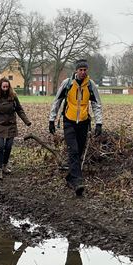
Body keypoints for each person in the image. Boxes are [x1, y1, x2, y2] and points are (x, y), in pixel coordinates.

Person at [49, 59, 103, 196]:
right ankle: (78, 182)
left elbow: (97, 105)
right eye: (81, 70)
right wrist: (52, 120)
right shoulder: (67, 84)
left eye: (85, 70)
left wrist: (99, 123)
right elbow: (57, 101)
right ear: (76, 71)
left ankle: (70, 178)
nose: (83, 72)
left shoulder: (90, 85)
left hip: (84, 123)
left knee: (78, 152)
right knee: (73, 150)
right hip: (69, 121)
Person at [0, 78, 32, 180]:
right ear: (0, 86)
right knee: (1, 147)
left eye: (7, 87)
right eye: (3, 86)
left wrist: (26, 121)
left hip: (11, 125)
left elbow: (19, 109)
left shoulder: (13, 96)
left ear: (9, 87)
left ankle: (5, 165)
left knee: (8, 147)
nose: (5, 88)